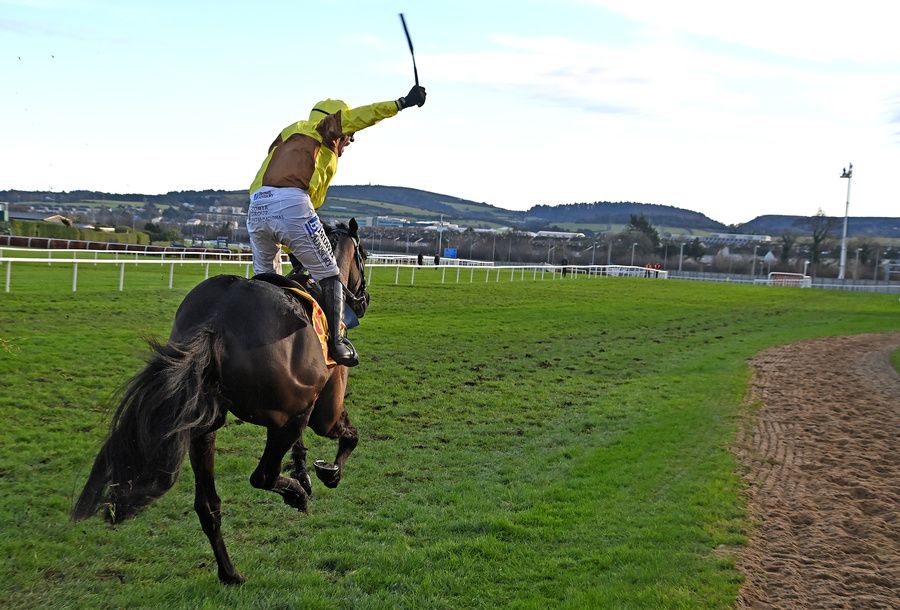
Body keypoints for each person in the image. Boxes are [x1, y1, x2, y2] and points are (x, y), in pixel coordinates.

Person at [247, 85, 427, 367]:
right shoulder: (326, 128)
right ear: (338, 122)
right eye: (350, 133)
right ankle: (337, 343)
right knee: (330, 273)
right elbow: (365, 116)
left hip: (256, 206)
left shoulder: (290, 131)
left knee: (267, 279)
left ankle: (256, 336)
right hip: (292, 203)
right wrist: (402, 103)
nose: (350, 139)